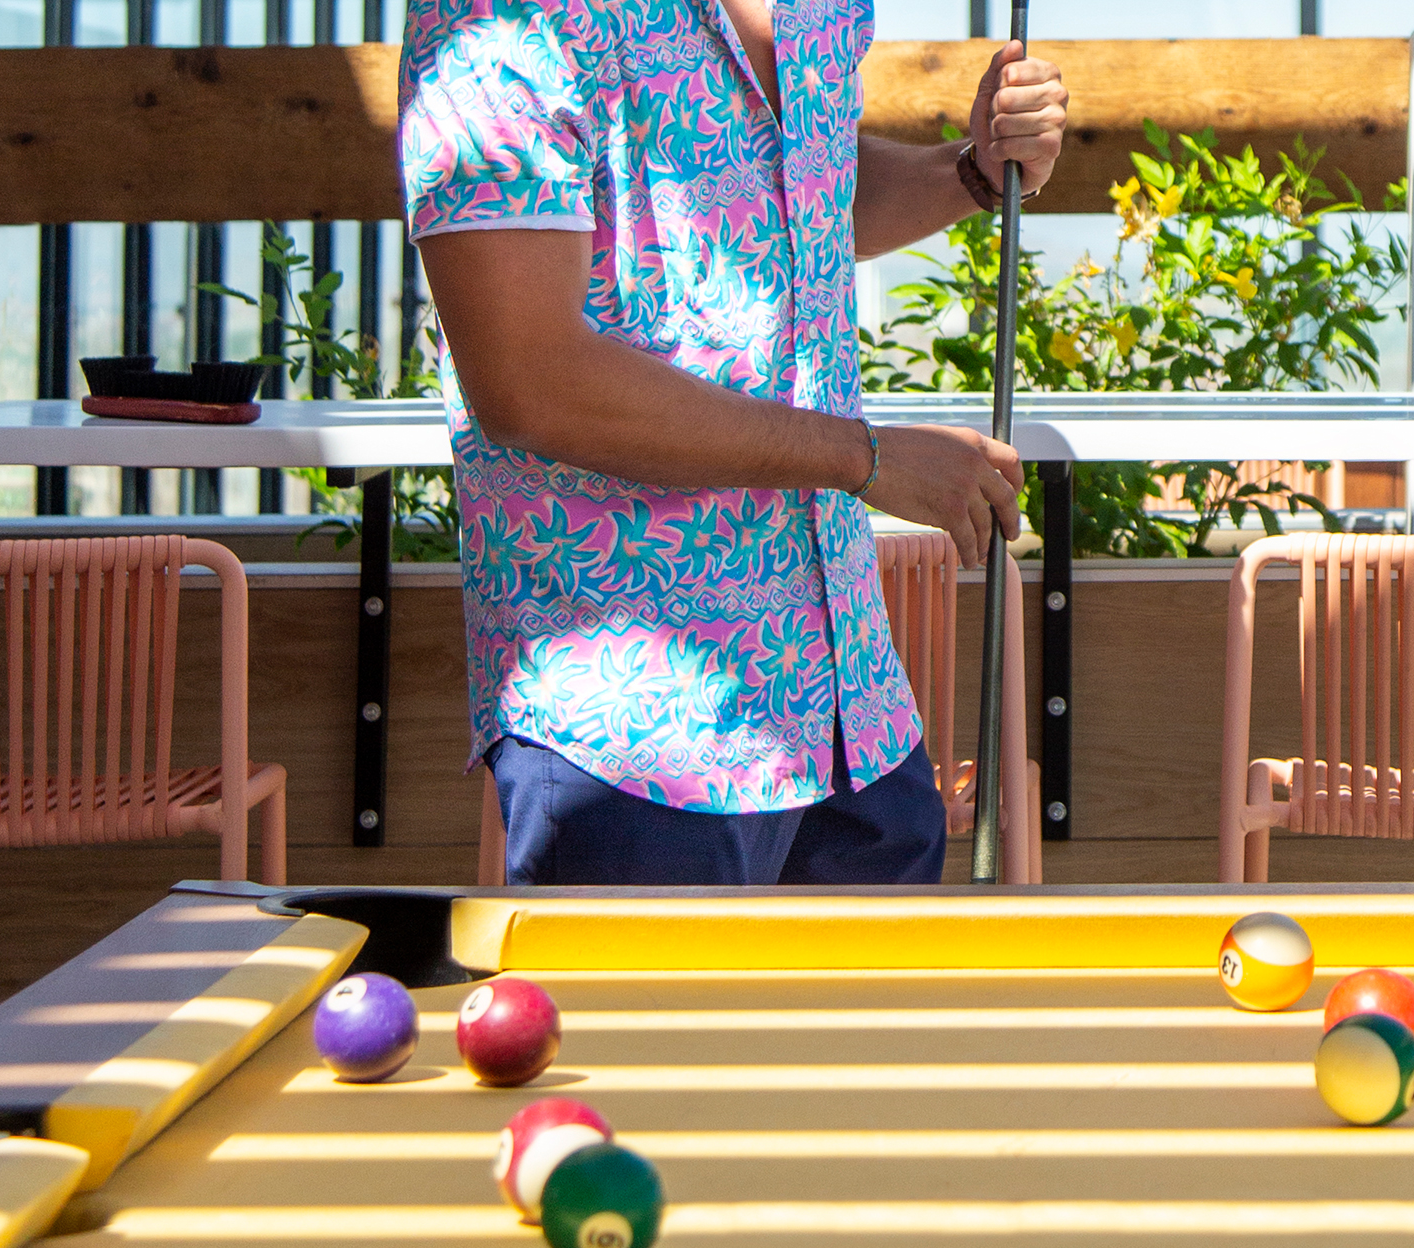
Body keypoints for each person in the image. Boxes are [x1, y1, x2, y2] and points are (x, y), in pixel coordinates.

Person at [397, 0, 1065, 885]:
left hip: (851, 716)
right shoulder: (502, 13)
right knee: (644, 1032)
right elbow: (529, 379)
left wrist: (973, 173)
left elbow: (800, 192)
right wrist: (864, 458)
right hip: (635, 735)